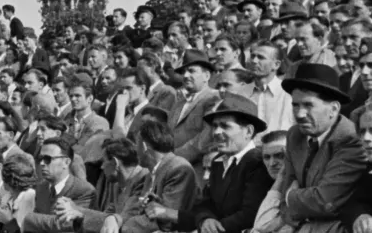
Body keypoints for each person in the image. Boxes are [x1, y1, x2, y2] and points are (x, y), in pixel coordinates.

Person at [145, 93, 273, 233]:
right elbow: (204, 205)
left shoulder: (257, 162)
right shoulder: (218, 162)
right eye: (215, 126)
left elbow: (250, 215)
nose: (216, 132)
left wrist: (209, 227)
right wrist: (205, 219)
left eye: (225, 126)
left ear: (248, 131)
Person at [271, 63, 365, 228]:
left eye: (308, 105)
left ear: (334, 109)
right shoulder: (295, 135)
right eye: (295, 105)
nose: (300, 114)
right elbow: (289, 183)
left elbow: (325, 201)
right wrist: (292, 206)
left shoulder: (351, 139)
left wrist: (289, 196)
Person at [21, 138, 95, 232]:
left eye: (48, 159)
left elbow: (67, 225)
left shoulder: (84, 190)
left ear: (66, 162)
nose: (42, 163)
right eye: (41, 158)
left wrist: (28, 217)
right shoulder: (41, 187)